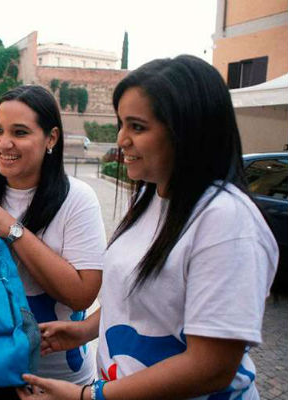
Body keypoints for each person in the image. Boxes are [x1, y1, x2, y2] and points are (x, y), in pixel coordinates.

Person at [16, 55, 278, 400]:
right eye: (121, 123)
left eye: (137, 127)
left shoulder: (226, 221)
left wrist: (88, 396)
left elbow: (212, 365)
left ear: (186, 131)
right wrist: (84, 330)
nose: (122, 139)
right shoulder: (151, 197)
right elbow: (141, 298)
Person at [0, 85, 107, 399]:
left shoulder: (77, 199)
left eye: (20, 132)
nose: (3, 143)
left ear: (52, 138)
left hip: (57, 380)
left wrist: (13, 230)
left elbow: (82, 295)